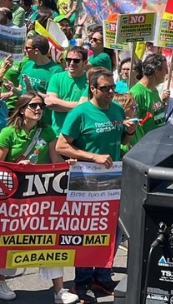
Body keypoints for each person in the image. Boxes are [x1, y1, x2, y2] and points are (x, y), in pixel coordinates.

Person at [56, 70, 135, 302]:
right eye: (105, 88)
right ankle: (81, 282)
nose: (110, 92)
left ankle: (102, 277)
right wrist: (93, 157)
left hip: (113, 180)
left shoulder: (117, 110)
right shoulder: (80, 113)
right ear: (93, 89)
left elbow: (122, 141)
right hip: (86, 181)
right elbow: (62, 146)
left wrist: (128, 133)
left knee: (110, 230)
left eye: (112, 88)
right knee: (87, 231)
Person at [0, 93, 79, 304]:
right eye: (34, 105)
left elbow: (55, 159)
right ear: (21, 109)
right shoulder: (8, 133)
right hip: (14, 198)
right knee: (12, 238)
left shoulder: (47, 131)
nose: (38, 109)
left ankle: (59, 290)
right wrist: (18, 169)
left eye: (41, 106)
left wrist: (66, 164)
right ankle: (1, 280)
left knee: (49, 238)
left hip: (42, 195)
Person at [45, 46, 89, 134]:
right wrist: (77, 107)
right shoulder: (56, 77)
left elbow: (85, 108)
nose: (71, 63)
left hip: (81, 133)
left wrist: (56, 101)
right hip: (58, 131)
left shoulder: (89, 80)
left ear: (85, 63)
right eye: (68, 59)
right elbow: (50, 104)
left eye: (76, 60)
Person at [128, 54, 169, 142]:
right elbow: (133, 124)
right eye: (165, 69)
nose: (167, 73)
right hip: (145, 145)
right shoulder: (137, 93)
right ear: (157, 72)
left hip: (158, 141)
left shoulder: (154, 89)